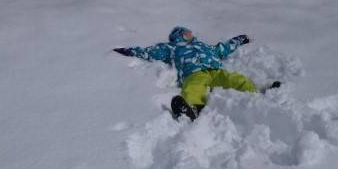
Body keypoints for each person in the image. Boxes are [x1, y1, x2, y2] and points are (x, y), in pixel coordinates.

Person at [114, 26, 280, 120]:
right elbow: (150, 52)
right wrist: (131, 51)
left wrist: (239, 39)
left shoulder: (205, 46)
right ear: (179, 36)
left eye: (190, 33)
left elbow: (224, 48)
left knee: (236, 79)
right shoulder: (171, 47)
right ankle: (192, 108)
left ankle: (256, 95)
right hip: (193, 73)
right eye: (187, 33)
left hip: (216, 71)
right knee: (193, 87)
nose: (191, 35)